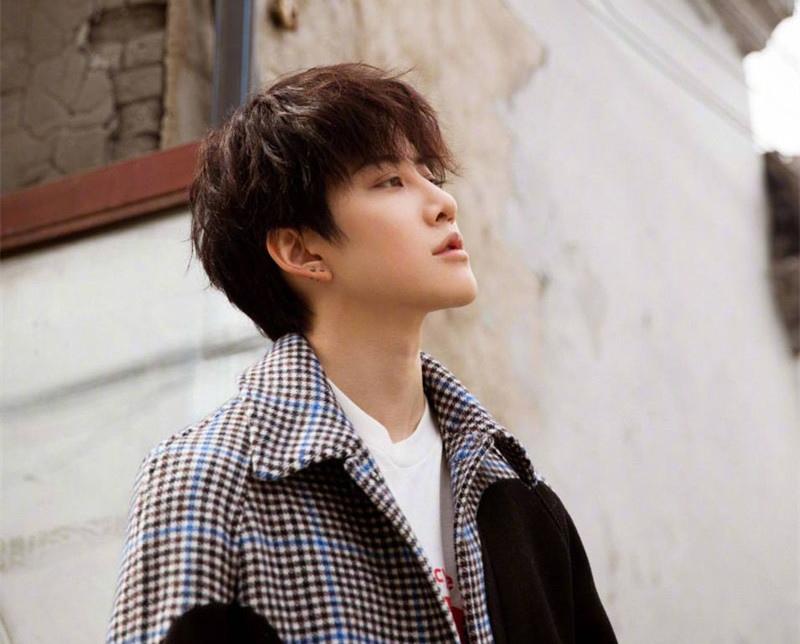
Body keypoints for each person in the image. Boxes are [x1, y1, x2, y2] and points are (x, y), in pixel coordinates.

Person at [105, 62, 618, 644]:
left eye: (431, 174)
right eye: (390, 181)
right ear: (302, 251)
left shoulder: (522, 500)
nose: (442, 203)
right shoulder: (207, 481)